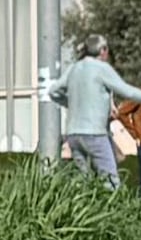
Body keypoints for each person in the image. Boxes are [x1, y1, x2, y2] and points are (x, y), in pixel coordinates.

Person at [52, 31, 131, 182]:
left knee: (88, 174)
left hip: (86, 130)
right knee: (108, 175)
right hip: (93, 131)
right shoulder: (91, 74)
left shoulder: (81, 72)